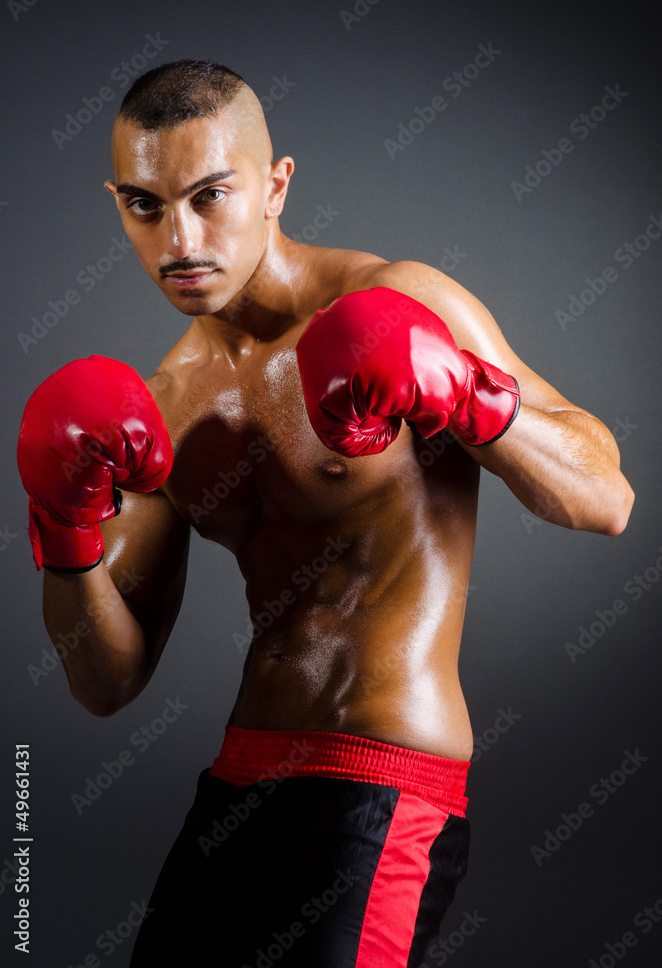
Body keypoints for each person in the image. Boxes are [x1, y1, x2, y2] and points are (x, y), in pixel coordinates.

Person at [16, 60, 634, 966]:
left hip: (379, 787)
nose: (179, 238)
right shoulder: (162, 405)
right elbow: (106, 682)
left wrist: (467, 397)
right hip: (237, 780)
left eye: (210, 196)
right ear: (117, 201)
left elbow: (606, 496)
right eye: (145, 205)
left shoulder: (398, 300)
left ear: (276, 186)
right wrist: (63, 524)